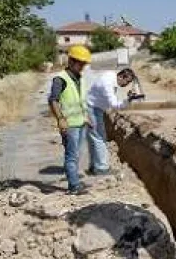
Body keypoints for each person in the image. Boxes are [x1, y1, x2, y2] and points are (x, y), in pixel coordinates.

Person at [48, 45, 93, 195]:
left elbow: (81, 101)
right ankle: (74, 186)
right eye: (81, 63)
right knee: (71, 156)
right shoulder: (60, 79)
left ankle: (75, 183)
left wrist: (86, 118)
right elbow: (53, 100)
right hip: (69, 125)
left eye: (84, 64)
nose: (83, 67)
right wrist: (60, 119)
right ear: (72, 61)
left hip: (80, 123)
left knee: (76, 154)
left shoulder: (79, 79)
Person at [85, 68, 138, 175]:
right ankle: (101, 168)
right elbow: (114, 105)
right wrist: (128, 100)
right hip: (92, 109)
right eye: (127, 82)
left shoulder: (110, 76)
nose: (126, 85)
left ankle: (94, 167)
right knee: (100, 138)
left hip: (93, 107)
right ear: (121, 76)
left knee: (94, 139)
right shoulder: (108, 83)